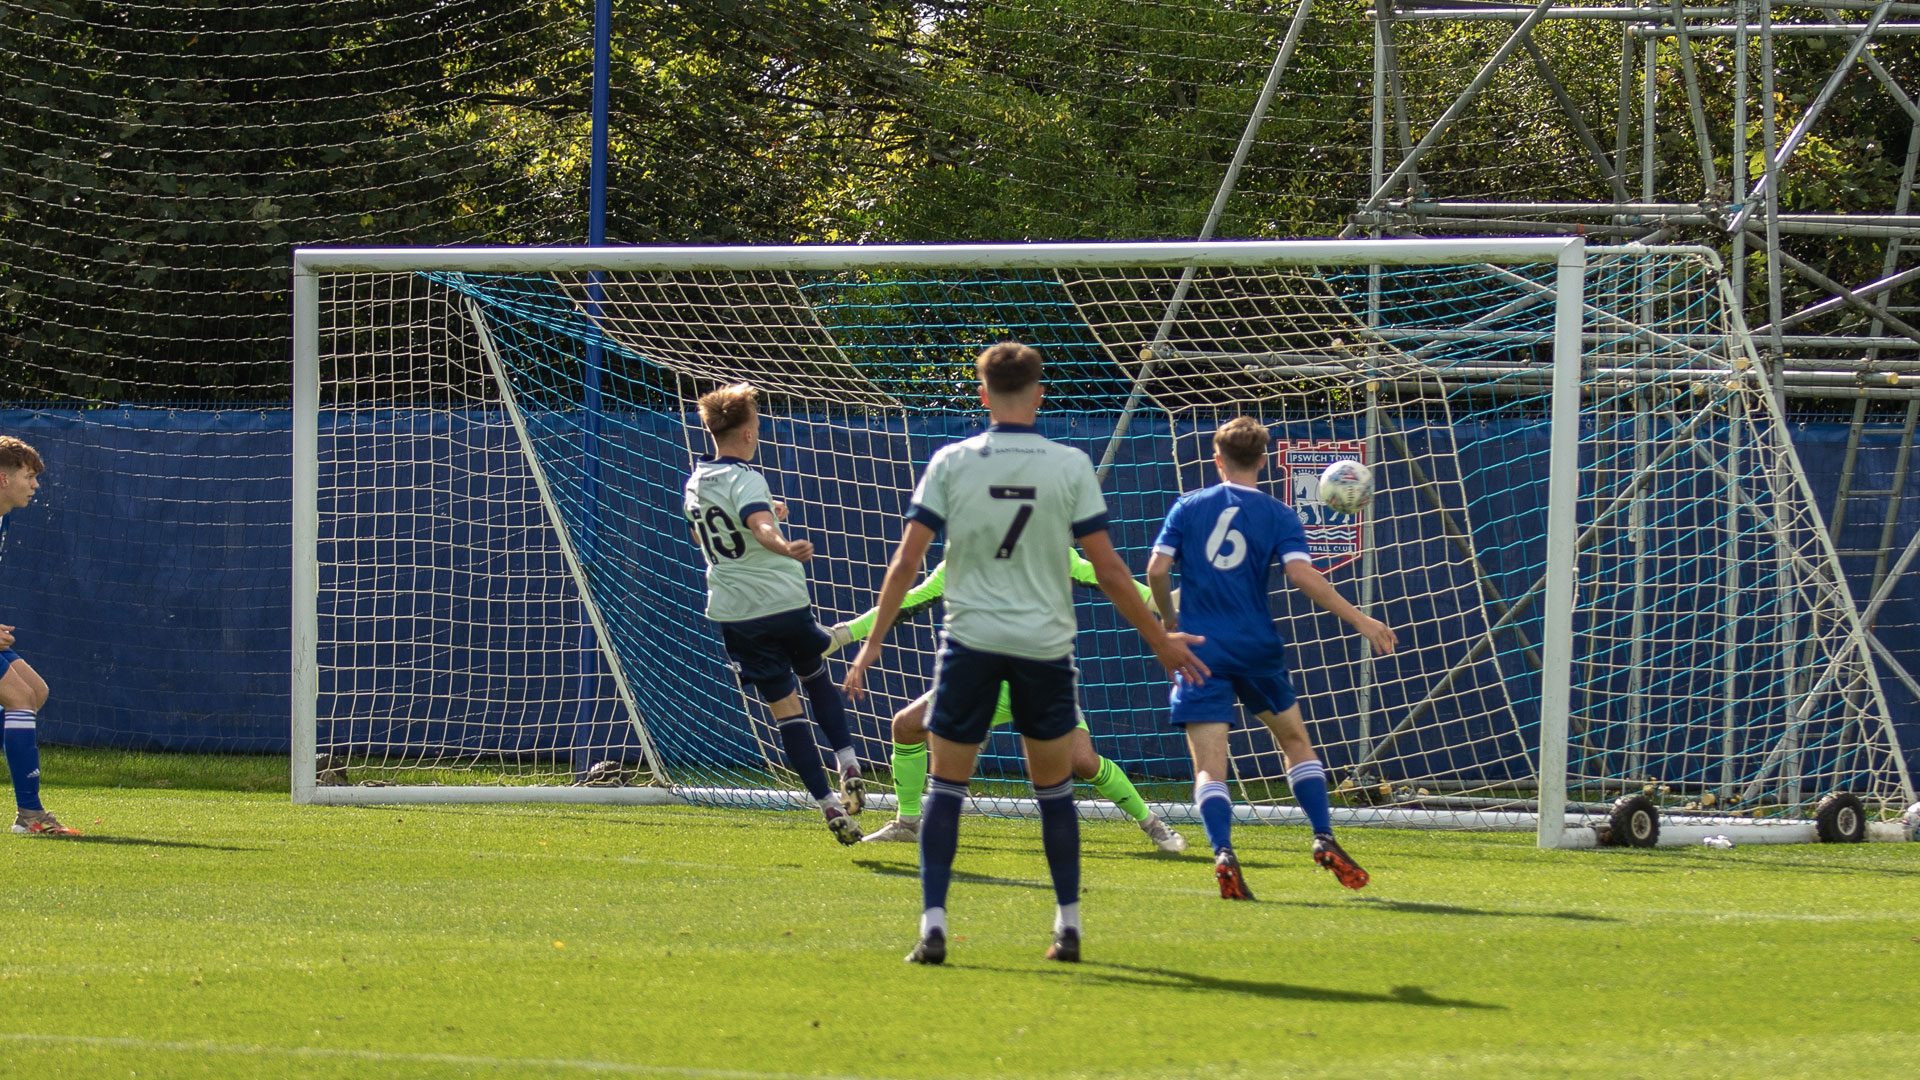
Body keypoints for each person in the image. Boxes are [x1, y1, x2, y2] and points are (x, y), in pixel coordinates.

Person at [843, 341, 1207, 965]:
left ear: (981, 395)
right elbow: (1111, 568)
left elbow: (907, 562)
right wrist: (1160, 638)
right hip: (1042, 652)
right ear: (1040, 395)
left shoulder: (951, 462)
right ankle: (1068, 928)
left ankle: (933, 930)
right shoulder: (1069, 465)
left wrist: (870, 644)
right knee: (1055, 793)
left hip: (971, 650)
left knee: (947, 790)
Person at [1146, 416, 1396, 899]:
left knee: (1209, 769)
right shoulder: (1280, 515)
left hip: (1200, 651)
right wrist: (1361, 620)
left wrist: (1169, 626)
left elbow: (1157, 569)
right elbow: (1303, 576)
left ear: (1217, 459)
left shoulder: (1188, 507)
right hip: (1257, 647)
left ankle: (1223, 852)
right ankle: (1323, 835)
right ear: (1263, 461)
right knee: (1296, 742)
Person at [822, 553, 1186, 852]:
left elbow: (1111, 580)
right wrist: (842, 635)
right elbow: (907, 600)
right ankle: (909, 823)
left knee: (1083, 761)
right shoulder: (959, 559)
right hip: (979, 683)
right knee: (906, 725)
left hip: (1040, 680)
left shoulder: (1051, 555)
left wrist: (1166, 602)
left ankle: (1153, 825)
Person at [683, 383, 864, 845]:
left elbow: (725, 532)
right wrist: (783, 541)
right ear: (746, 434)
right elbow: (761, 528)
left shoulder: (695, 482)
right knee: (816, 673)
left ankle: (827, 805)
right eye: (757, 425)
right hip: (782, 603)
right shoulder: (748, 478)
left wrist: (767, 516)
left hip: (737, 615)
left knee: (786, 713)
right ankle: (847, 760)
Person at [0, 437, 78, 837]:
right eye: (28, 476)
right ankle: (29, 815)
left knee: (35, 691)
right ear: (2, 478)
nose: (35, 485)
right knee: (20, 698)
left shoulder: (3, 518)